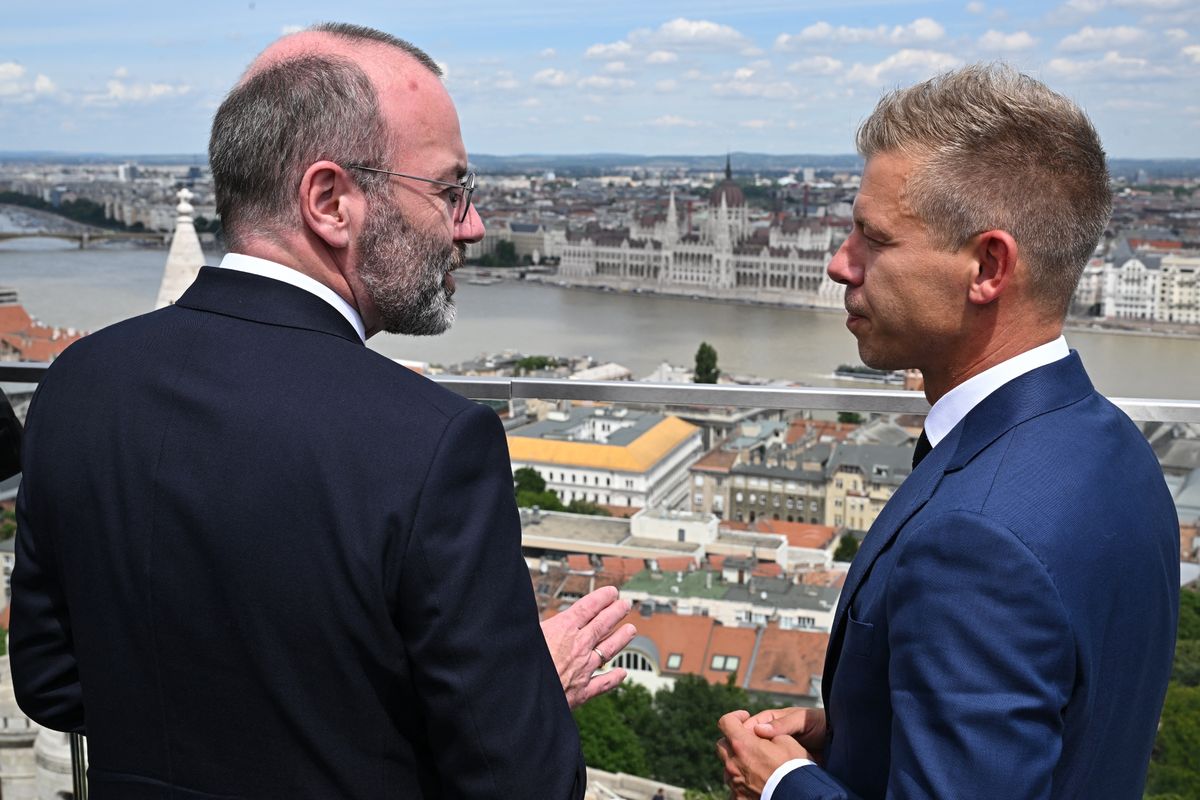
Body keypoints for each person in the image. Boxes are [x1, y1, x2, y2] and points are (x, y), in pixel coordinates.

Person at [10, 23, 634, 799]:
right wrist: (522, 691)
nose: (470, 225)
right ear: (330, 201)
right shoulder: (432, 445)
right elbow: (525, 784)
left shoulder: (76, 383)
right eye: (449, 191)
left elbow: (51, 683)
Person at [716, 64, 1179, 800]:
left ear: (988, 266)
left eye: (874, 239)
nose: (841, 264)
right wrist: (861, 730)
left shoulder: (977, 539)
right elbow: (1064, 718)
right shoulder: (1117, 449)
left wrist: (785, 785)